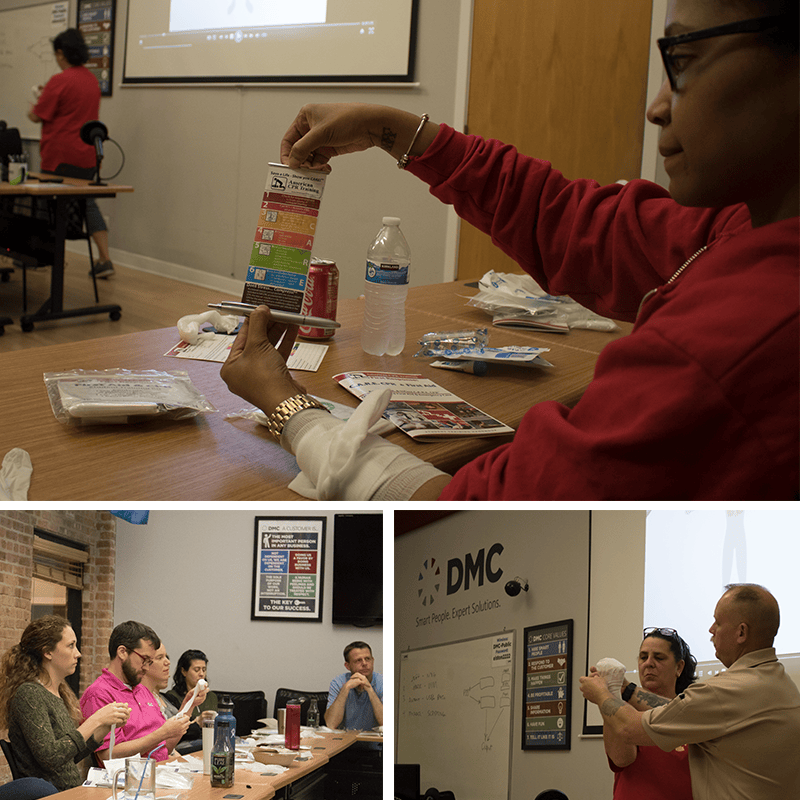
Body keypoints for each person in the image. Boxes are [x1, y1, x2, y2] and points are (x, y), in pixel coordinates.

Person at [220, 0, 799, 501]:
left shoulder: (736, 337)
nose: (657, 106)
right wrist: (391, 130)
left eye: (683, 61)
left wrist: (286, 404)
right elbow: (583, 226)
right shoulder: (740, 227)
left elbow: (464, 507)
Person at [580, 584, 800, 800]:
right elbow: (669, 714)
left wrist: (602, 694)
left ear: (741, 632)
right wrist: (625, 689)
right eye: (643, 656)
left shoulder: (723, 692)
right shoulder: (783, 685)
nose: (711, 630)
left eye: (718, 622)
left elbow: (630, 726)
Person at [0, 616, 130, 790]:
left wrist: (102, 729)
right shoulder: (29, 694)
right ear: (48, 652)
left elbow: (68, 756)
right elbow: (50, 758)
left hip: (70, 790)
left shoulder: (58, 692)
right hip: (52, 793)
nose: (78, 653)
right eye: (71, 646)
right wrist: (96, 720)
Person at [27, 28, 115, 278]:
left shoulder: (59, 80)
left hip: (59, 157)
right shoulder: (90, 80)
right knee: (87, 204)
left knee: (48, 208)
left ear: (60, 53)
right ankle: (105, 259)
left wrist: (34, 102)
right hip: (87, 156)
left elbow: (37, 115)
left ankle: (51, 259)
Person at [79, 621, 202, 763]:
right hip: (128, 779)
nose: (146, 667)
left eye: (150, 661)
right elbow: (108, 755)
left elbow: (163, 749)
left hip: (160, 771)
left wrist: (189, 705)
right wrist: (161, 733)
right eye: (144, 660)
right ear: (122, 652)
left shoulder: (141, 689)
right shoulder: (99, 693)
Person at [600, 628, 697, 800]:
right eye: (643, 657)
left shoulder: (693, 712)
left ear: (679, 667)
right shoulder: (621, 710)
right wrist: (609, 694)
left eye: (659, 658)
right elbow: (621, 759)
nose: (648, 663)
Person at [163, 649, 218, 749]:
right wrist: (198, 721)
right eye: (196, 670)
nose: (201, 674)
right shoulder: (173, 697)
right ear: (184, 671)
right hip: (187, 743)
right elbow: (178, 730)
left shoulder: (212, 697)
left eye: (204, 670)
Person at [325, 641, 383, 730]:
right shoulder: (338, 682)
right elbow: (331, 724)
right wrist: (346, 688)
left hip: (375, 742)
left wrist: (369, 689)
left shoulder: (383, 682)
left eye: (367, 659)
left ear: (373, 661)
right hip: (346, 741)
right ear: (347, 666)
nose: (364, 663)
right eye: (358, 660)